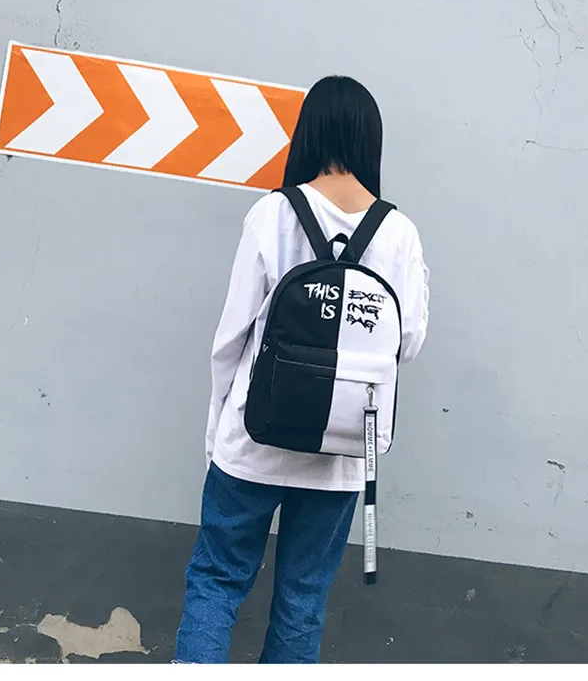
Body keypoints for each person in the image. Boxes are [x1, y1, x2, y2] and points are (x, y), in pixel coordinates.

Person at [173, 75, 430, 664]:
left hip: (254, 439)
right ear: (370, 140)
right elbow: (407, 343)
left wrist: (217, 434)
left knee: (216, 582)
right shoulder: (399, 233)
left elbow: (231, 336)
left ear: (308, 132)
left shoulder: (273, 213)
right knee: (302, 602)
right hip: (341, 453)